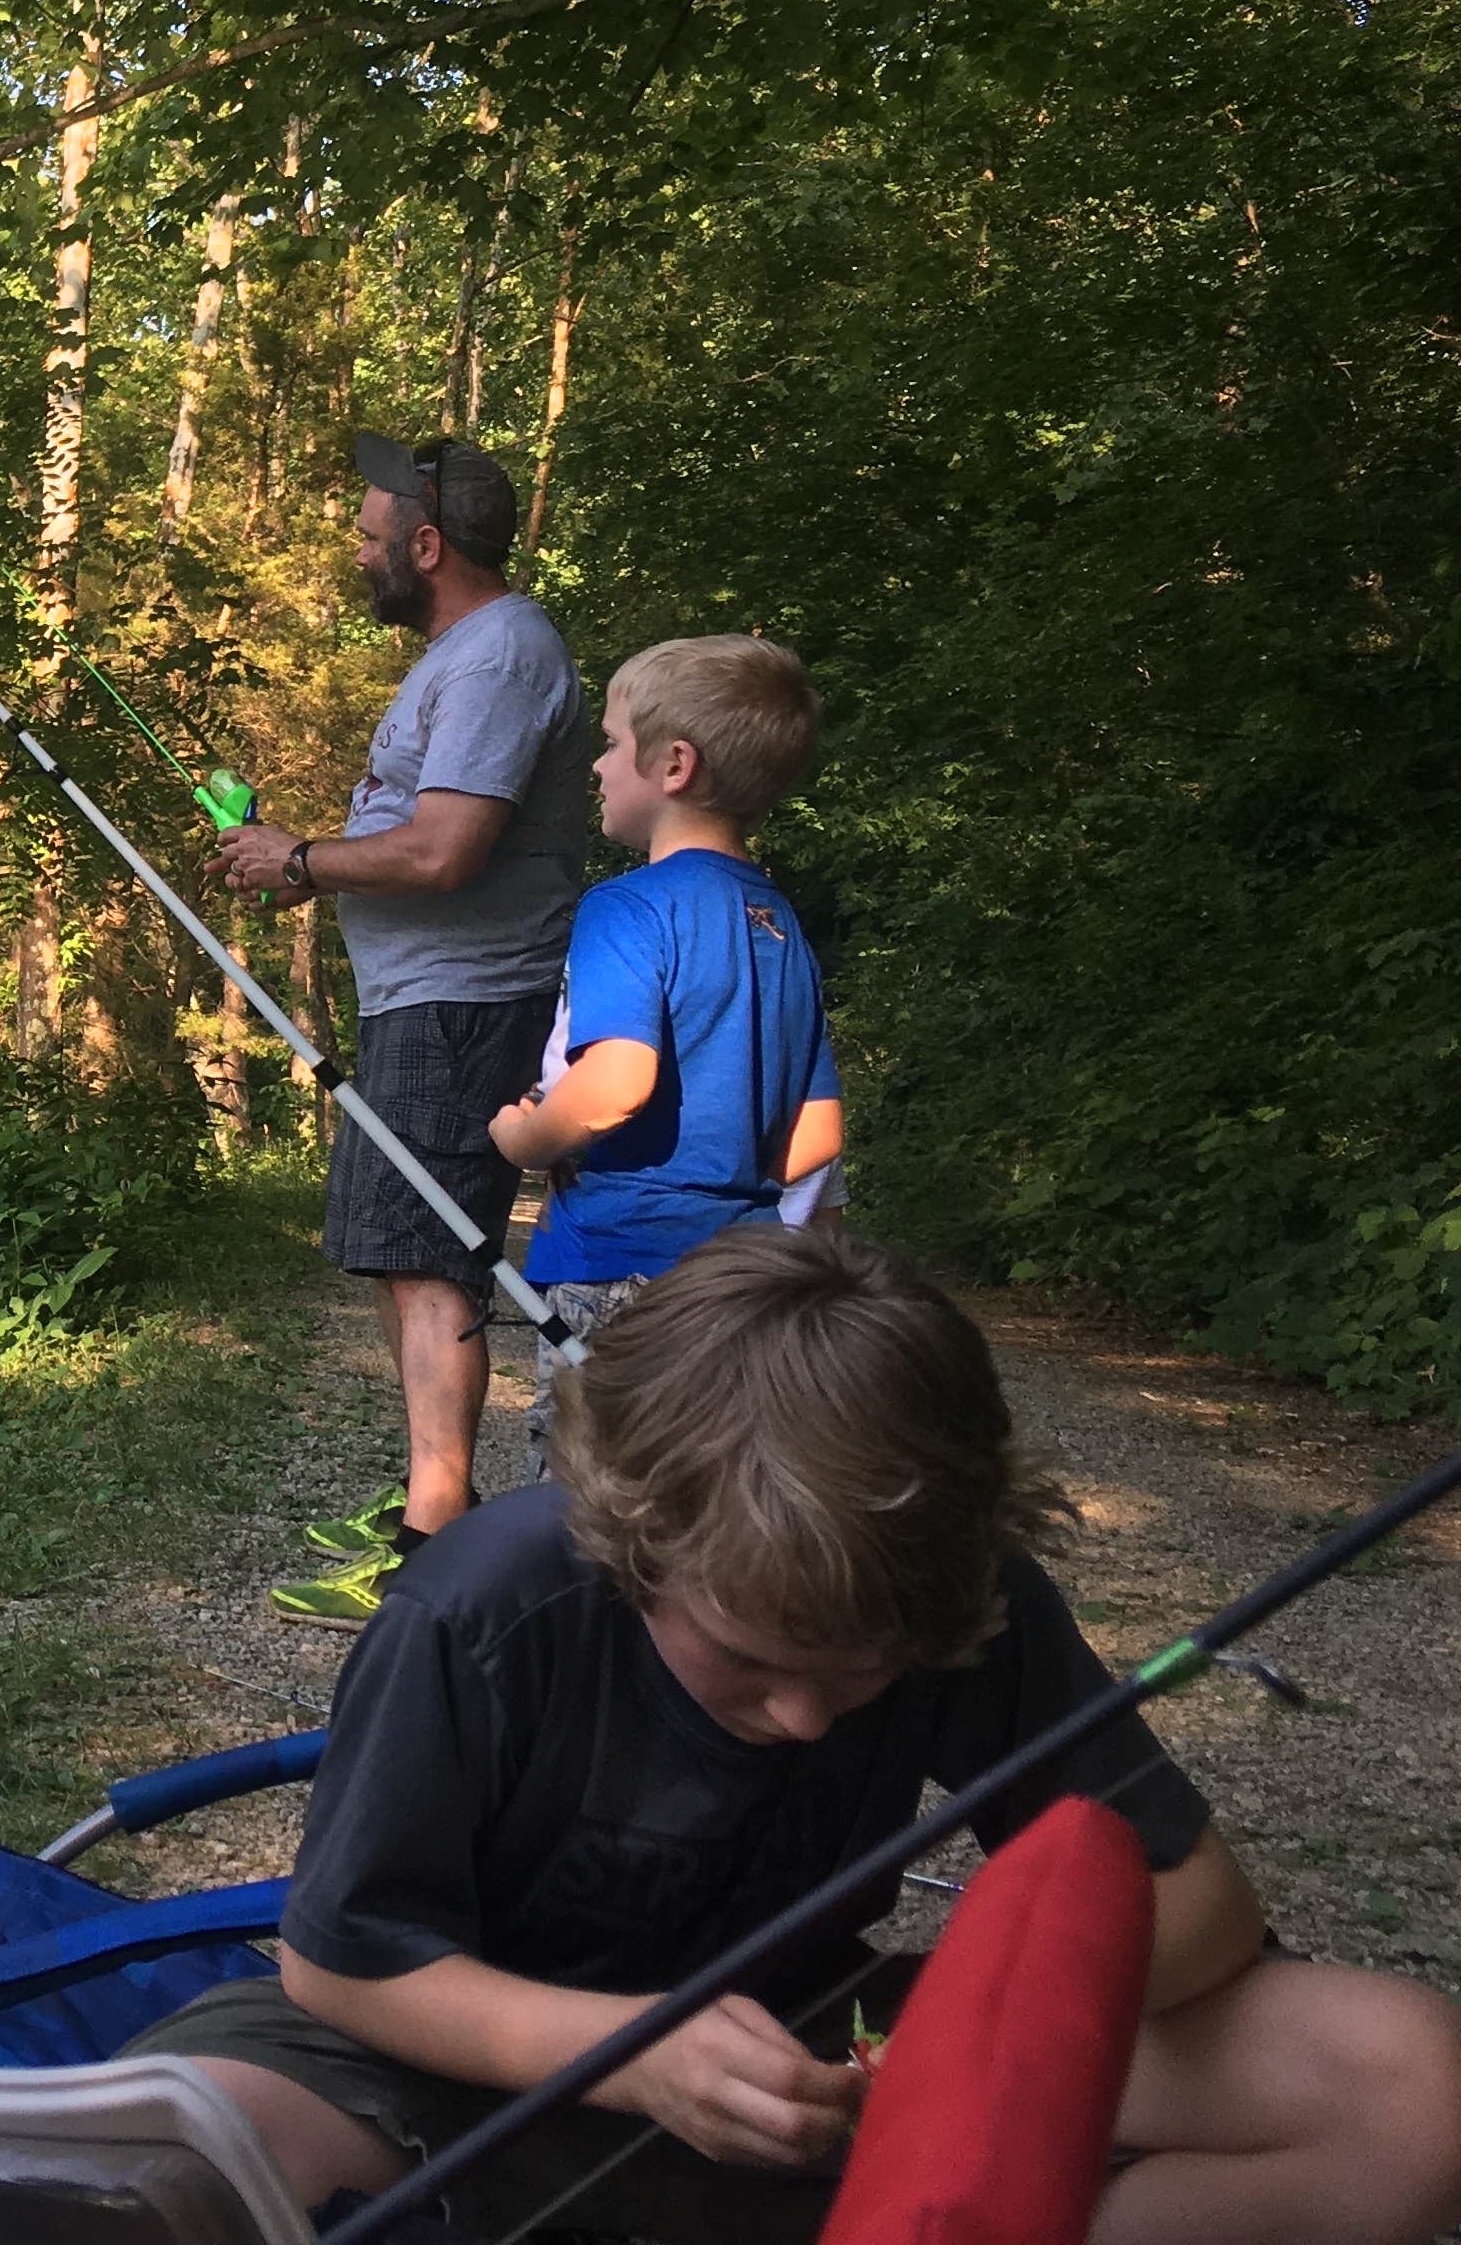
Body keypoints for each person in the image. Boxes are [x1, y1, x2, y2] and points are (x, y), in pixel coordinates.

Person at [130, 1226, 1461, 2243]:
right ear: (633, 1539)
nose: (808, 1716)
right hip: (465, 2061)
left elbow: (1203, 1906)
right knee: (161, 2155)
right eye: (754, 1664)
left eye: (869, 1673)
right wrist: (640, 2056)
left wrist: (948, 2059)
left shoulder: (960, 1591)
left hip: (828, 2058)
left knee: (1404, 2086)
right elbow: (344, 1969)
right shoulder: (484, 1606)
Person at [214, 432, 587, 1626]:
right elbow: (412, 834)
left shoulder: (502, 654)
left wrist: (305, 861)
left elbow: (443, 851)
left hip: (466, 1000)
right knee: (399, 1250)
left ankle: (435, 1549)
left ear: (428, 547)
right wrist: (300, 863)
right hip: (425, 997)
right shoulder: (465, 654)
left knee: (430, 1261)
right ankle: (443, 1493)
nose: (357, 551)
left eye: (372, 537)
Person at [488, 634, 846, 1446]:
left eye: (612, 744)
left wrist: (522, 1141)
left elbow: (615, 1085)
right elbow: (819, 1134)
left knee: (594, 1479)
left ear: (675, 765)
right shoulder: (780, 925)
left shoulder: (629, 908)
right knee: (707, 1476)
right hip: (745, 1278)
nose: (597, 766)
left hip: (618, 1265)